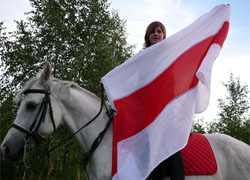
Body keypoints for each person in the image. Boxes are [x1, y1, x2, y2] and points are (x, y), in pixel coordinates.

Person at [144, 21, 185, 180]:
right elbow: (126, 76)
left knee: (171, 149)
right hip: (148, 115)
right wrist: (107, 81)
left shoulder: (169, 57)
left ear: (164, 36)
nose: (156, 34)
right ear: (147, 35)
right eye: (153, 31)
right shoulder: (140, 59)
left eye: (159, 31)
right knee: (149, 155)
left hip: (167, 111)